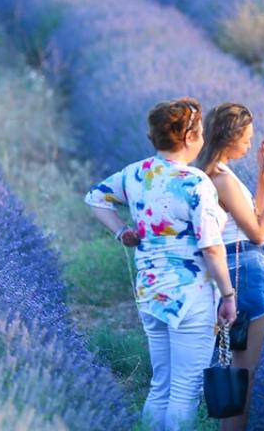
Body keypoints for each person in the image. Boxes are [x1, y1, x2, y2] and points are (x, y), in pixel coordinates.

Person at [85, 97, 238, 431]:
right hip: (191, 297)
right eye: (198, 131)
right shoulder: (195, 183)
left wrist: (121, 231)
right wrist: (228, 295)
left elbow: (95, 198)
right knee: (186, 391)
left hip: (150, 291)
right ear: (187, 138)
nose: (202, 137)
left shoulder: (136, 174)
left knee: (161, 385)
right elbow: (212, 248)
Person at [196, 102, 264, 431]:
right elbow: (260, 233)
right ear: (230, 137)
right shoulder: (222, 179)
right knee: (243, 375)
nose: (250, 144)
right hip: (245, 273)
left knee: (236, 374)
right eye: (246, 138)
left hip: (229, 270)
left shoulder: (209, 172)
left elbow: (256, 217)